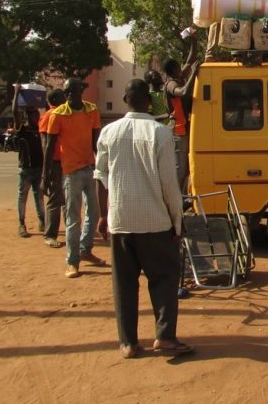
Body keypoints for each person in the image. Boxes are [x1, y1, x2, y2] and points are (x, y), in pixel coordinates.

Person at [94, 78, 192, 359]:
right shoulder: (160, 133)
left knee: (124, 283)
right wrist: (177, 220)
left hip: (121, 220)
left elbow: (100, 177)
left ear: (125, 99)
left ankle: (128, 343)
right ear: (149, 102)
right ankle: (165, 337)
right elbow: (169, 184)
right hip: (155, 222)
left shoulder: (108, 133)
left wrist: (104, 216)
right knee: (163, 278)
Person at [43, 77, 104, 278]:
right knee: (73, 218)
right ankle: (72, 261)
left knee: (94, 214)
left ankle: (85, 250)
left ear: (81, 92)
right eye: (67, 92)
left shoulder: (91, 111)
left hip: (89, 169)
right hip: (70, 172)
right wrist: (46, 176)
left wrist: (103, 166)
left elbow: (97, 143)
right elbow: (50, 147)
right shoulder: (57, 115)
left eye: (73, 91)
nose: (69, 95)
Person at [163, 38, 200, 191]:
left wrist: (193, 41)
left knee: (185, 167)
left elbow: (190, 60)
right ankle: (176, 199)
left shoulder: (178, 78)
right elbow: (183, 92)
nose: (182, 68)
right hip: (178, 131)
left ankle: (181, 197)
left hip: (183, 129)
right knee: (181, 169)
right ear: (174, 70)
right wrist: (194, 74)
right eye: (179, 66)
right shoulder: (171, 84)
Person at [12, 85, 46, 238]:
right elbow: (14, 112)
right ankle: (21, 224)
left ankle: (42, 222)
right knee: (22, 197)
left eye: (37, 115)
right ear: (28, 117)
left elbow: (48, 110)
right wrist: (17, 92)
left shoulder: (40, 130)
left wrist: (43, 98)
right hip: (25, 170)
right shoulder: (22, 130)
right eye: (34, 116)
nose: (37, 117)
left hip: (39, 169)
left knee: (39, 197)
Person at [39, 88, 67, 248]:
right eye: (64, 96)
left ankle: (69, 232)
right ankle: (50, 234)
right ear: (56, 99)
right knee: (55, 200)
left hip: (65, 161)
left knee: (65, 200)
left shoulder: (61, 114)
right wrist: (46, 171)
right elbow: (45, 144)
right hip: (55, 163)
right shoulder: (50, 115)